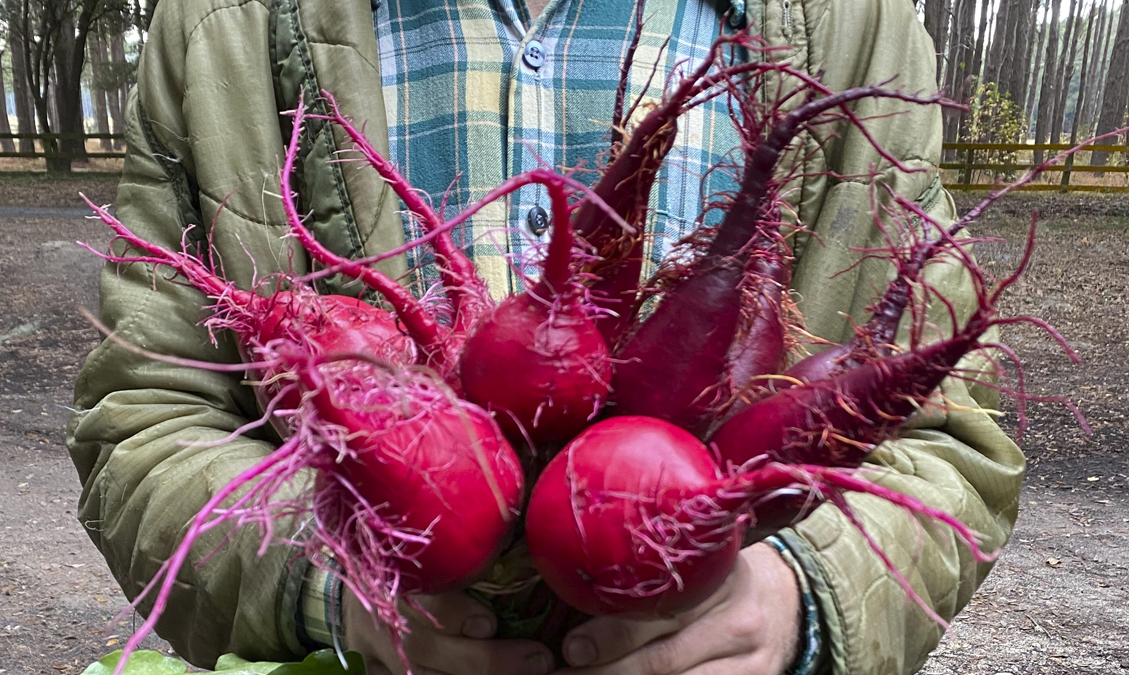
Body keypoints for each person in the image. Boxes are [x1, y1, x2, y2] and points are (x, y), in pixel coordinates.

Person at [66, 0, 1026, 673]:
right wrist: (331, 586)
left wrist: (801, 594)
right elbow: (144, 421)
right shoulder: (216, 27)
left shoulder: (862, 26)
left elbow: (949, 443)